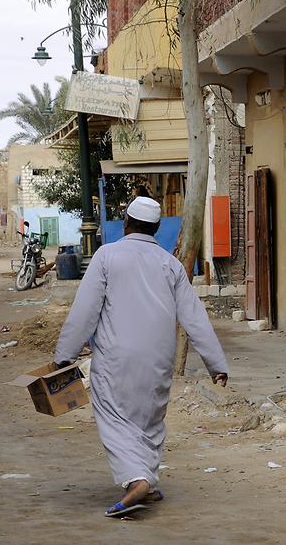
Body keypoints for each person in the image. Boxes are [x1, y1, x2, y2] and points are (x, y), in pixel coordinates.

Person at [53, 196, 229, 518]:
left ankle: (137, 481)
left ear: (126, 224)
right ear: (156, 228)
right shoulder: (171, 265)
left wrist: (64, 355)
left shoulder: (107, 256)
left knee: (116, 418)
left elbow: (85, 311)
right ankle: (145, 478)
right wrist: (216, 364)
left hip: (116, 358)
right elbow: (194, 317)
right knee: (149, 419)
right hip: (159, 358)